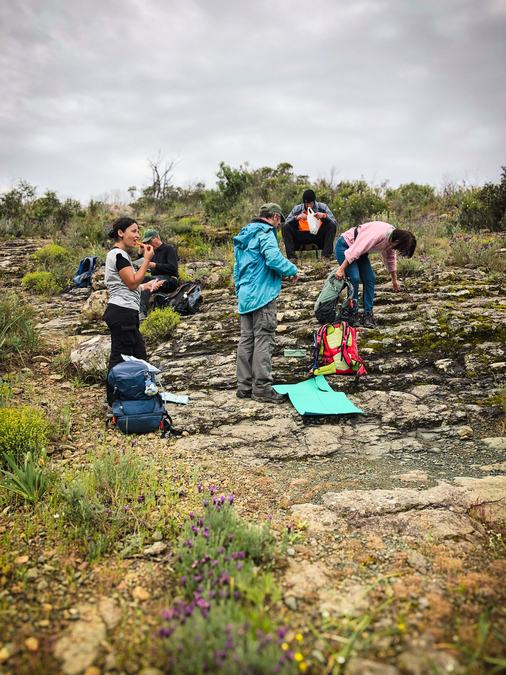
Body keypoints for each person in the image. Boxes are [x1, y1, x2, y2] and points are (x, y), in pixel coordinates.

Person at [234, 203, 298, 404]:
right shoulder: (266, 232)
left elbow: (238, 269)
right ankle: (261, 388)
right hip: (262, 296)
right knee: (264, 339)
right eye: (280, 220)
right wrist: (292, 269)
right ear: (276, 217)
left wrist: (239, 291)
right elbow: (272, 258)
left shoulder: (244, 235)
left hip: (245, 295)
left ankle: (244, 387)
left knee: (246, 340)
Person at [103, 217, 164, 405]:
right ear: (121, 233)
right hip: (121, 312)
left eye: (138, 231)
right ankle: (114, 402)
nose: (137, 235)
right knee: (119, 358)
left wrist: (144, 287)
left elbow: (129, 284)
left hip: (125, 311)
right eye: (133, 231)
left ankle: (139, 397)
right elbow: (131, 282)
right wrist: (147, 260)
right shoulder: (119, 255)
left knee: (139, 355)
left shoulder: (121, 255)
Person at [334, 221, 417, 328]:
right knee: (354, 278)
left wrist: (394, 281)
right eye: (398, 248)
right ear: (397, 240)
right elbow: (355, 250)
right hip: (345, 246)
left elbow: (390, 259)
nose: (396, 249)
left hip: (361, 252)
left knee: (370, 279)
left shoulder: (392, 239)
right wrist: (341, 269)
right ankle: (352, 312)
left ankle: (368, 314)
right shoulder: (378, 235)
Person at [282, 189, 338, 261]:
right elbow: (286, 223)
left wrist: (324, 216)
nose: (308, 206)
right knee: (286, 227)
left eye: (310, 203)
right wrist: (297, 218)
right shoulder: (297, 209)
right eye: (306, 204)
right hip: (301, 236)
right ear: (304, 202)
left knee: (331, 225)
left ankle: (325, 257)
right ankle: (292, 258)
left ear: (314, 201)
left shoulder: (323, 207)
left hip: (318, 236)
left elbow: (334, 223)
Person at [139, 229, 178, 319]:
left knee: (150, 281)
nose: (149, 244)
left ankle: (142, 312)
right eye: (146, 242)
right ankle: (138, 310)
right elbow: (139, 264)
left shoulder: (169, 249)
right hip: (155, 278)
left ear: (157, 237)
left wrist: (154, 265)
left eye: (150, 241)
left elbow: (173, 268)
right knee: (140, 280)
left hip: (170, 279)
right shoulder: (151, 252)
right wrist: (140, 253)